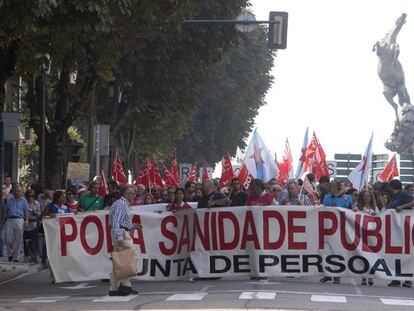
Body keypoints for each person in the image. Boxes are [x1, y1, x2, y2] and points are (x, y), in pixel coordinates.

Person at [109, 184, 141, 296]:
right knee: (131, 257)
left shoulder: (122, 204)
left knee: (119, 260)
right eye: (133, 193)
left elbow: (121, 220)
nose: (134, 195)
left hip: (122, 231)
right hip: (121, 233)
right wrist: (119, 237)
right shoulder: (121, 204)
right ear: (126, 193)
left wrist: (132, 226)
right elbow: (116, 222)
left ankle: (114, 288)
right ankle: (125, 285)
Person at [320, 180, 353, 284]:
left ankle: (337, 274)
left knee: (338, 252)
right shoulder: (327, 197)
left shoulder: (348, 198)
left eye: (332, 187)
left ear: (338, 187)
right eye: (330, 187)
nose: (330, 189)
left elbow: (351, 213)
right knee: (326, 251)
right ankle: (327, 274)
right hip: (327, 228)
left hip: (341, 229)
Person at [386, 179, 414, 288]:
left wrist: (401, 207)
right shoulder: (395, 196)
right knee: (396, 255)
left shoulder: (403, 194)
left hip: (404, 230)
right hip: (396, 230)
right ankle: (396, 279)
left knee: (405, 255)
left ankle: (407, 279)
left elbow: (413, 201)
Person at [355, 189, 379, 286]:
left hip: (372, 234)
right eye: (365, 196)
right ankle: (364, 277)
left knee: (372, 256)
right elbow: (355, 216)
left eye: (368, 195)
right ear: (361, 197)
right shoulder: (358, 207)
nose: (367, 198)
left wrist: (375, 216)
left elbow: (379, 218)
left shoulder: (375, 207)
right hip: (362, 233)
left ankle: (371, 277)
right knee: (363, 256)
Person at [5, 184, 29, 262]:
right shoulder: (9, 200)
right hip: (10, 219)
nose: (19, 193)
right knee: (8, 239)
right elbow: (6, 211)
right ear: (14, 192)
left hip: (20, 219)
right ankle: (10, 253)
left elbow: (26, 211)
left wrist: (26, 221)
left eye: (20, 191)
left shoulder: (24, 200)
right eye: (18, 191)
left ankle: (16, 257)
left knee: (19, 239)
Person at [23, 190, 41, 263]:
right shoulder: (24, 203)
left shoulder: (37, 203)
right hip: (25, 224)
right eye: (29, 196)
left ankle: (33, 256)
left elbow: (39, 213)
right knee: (25, 241)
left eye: (32, 196)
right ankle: (26, 255)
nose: (30, 197)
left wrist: (35, 213)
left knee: (33, 241)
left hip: (34, 223)